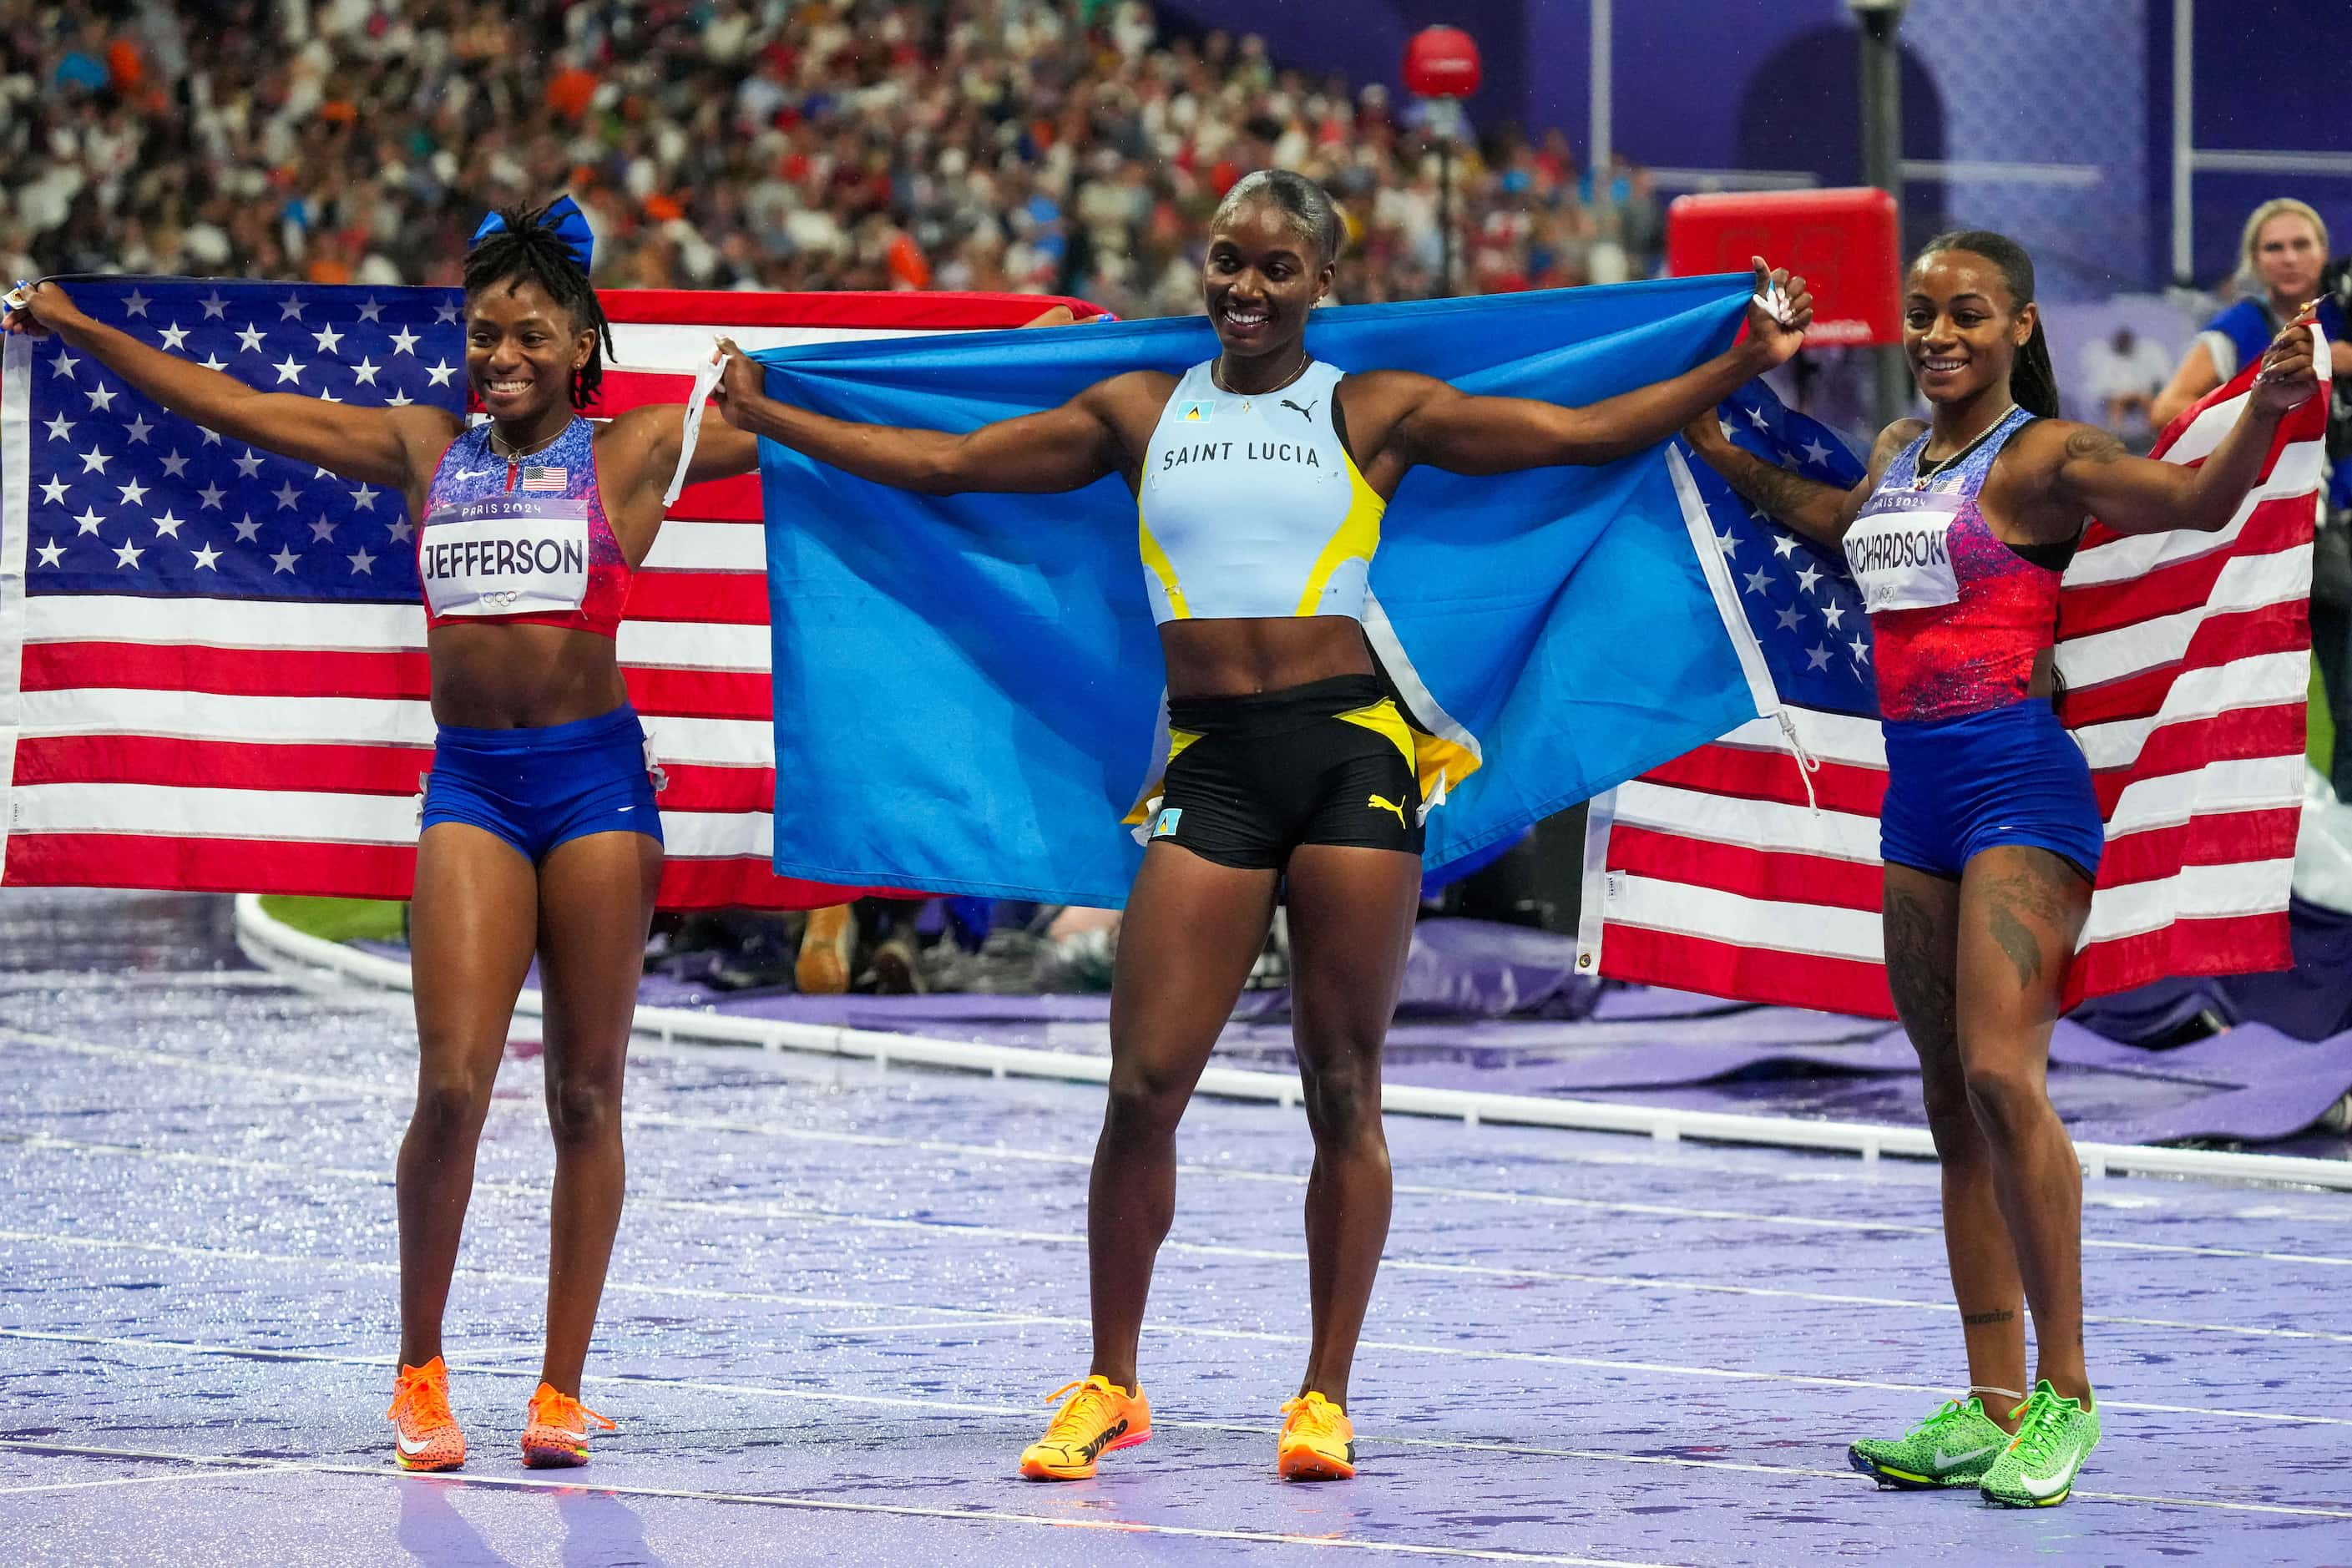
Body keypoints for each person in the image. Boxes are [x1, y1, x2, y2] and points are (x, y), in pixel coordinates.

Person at [710, 168, 1814, 1482]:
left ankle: (1322, 1394)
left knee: (1341, 1085)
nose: (1245, 287)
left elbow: (1578, 436)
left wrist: (1740, 356)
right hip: (1215, 768)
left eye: (1277, 268)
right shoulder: (1137, 406)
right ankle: (1112, 1382)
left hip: (1354, 756)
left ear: (1325, 285)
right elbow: (948, 466)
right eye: (1228, 261)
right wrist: (773, 410)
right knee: (1141, 1085)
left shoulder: (1372, 408)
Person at [5, 197, 766, 1473]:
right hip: (473, 785)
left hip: (597, 792)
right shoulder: (426, 446)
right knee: (454, 1084)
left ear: (583, 346)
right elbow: (241, 407)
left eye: (528, 335)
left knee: (585, 1091)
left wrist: (963, 361)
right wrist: (79, 326)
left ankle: (560, 1390)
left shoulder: (636, 451)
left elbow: (841, 428)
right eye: (481, 335)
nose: (500, 357)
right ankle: (420, 1370)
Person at [1682, 230, 2319, 1508]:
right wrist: (1713, 443)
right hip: (1913, 801)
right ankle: (1990, 1405)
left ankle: (2068, 1399)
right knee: (1943, 1097)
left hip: (2018, 788)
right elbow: (1836, 523)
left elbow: (2193, 503)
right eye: (1921, 313)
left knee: (1998, 1073)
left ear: (2019, 325)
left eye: (1966, 312)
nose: (1938, 334)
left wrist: (2271, 405)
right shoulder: (1895, 456)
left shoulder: (2047, 457)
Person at [2151, 198, 2348, 430]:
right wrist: (2259, 417)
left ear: (2323, 252)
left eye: (2302, 245)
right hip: (2277, 465)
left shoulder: (2345, 312)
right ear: (2255, 259)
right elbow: (2165, 410)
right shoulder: (2239, 327)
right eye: (2274, 248)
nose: (2289, 259)